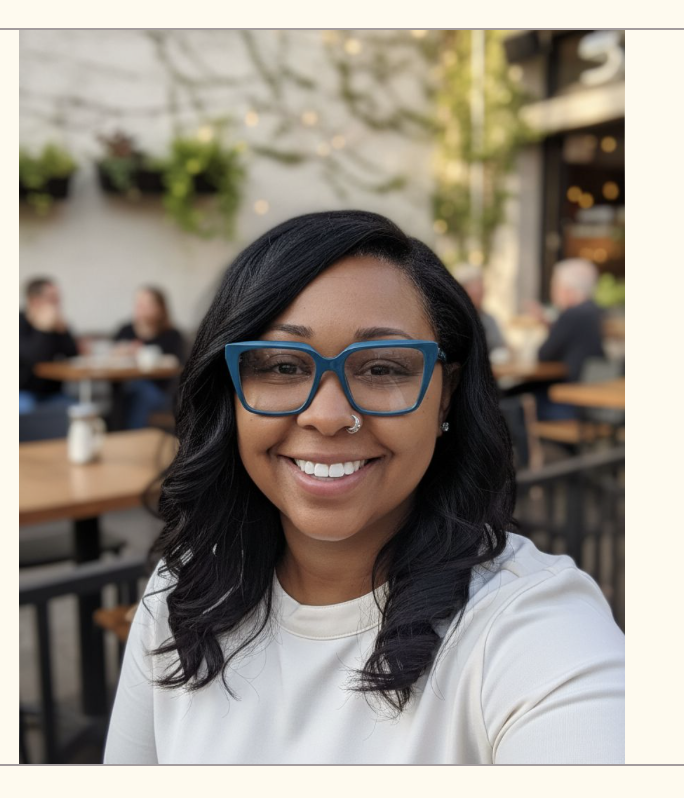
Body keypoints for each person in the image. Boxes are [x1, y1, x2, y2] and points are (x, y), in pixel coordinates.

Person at [104, 211, 624, 764]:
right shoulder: (187, 589)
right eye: (281, 366)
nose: (328, 416)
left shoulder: (530, 626)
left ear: (443, 396)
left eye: (381, 368)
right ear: (228, 392)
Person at [532, 258, 605, 420]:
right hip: (592, 402)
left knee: (512, 403)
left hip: (570, 404)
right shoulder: (595, 311)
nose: (553, 292)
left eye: (554, 286)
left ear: (567, 290)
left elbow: (543, 355)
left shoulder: (571, 315)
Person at [113, 286, 186, 429]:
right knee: (123, 393)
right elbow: (113, 354)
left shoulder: (172, 335)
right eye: (138, 304)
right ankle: (120, 436)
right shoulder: (126, 331)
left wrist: (144, 353)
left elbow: (178, 363)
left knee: (141, 392)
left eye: (146, 304)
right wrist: (122, 351)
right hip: (126, 387)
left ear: (160, 308)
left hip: (162, 391)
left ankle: (134, 438)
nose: (140, 308)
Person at [19, 277, 78, 414]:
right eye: (52, 299)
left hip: (53, 394)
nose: (57, 304)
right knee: (26, 413)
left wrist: (63, 332)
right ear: (35, 301)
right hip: (23, 393)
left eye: (58, 298)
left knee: (78, 411)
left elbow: (73, 355)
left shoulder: (56, 325)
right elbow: (34, 360)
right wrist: (42, 330)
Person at [453, 262, 507, 355]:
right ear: (462, 291)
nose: (481, 295)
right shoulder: (454, 320)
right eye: (476, 291)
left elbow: (501, 346)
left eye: (482, 290)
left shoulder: (489, 319)